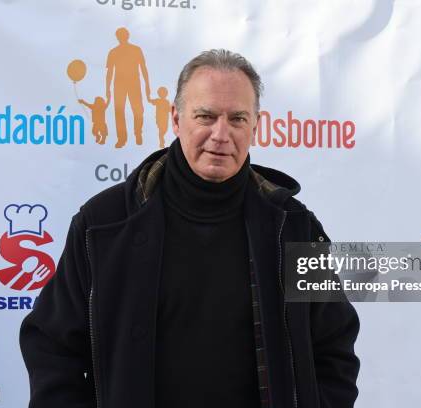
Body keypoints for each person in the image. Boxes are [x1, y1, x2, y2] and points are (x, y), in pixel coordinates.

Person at [20, 49, 360, 408]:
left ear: (256, 127)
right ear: (176, 119)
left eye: (238, 119)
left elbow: (334, 346)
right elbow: (51, 344)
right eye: (206, 116)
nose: (220, 134)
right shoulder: (103, 224)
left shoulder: (294, 228)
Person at [105, 27, 151, 148]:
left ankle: (138, 134)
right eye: (119, 35)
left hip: (133, 83)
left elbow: (143, 67)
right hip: (119, 84)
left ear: (127, 36)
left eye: (123, 35)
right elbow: (109, 71)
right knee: (119, 112)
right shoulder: (113, 52)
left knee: (138, 110)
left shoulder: (136, 50)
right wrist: (107, 89)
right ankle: (121, 138)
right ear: (117, 37)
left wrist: (147, 85)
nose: (121, 37)